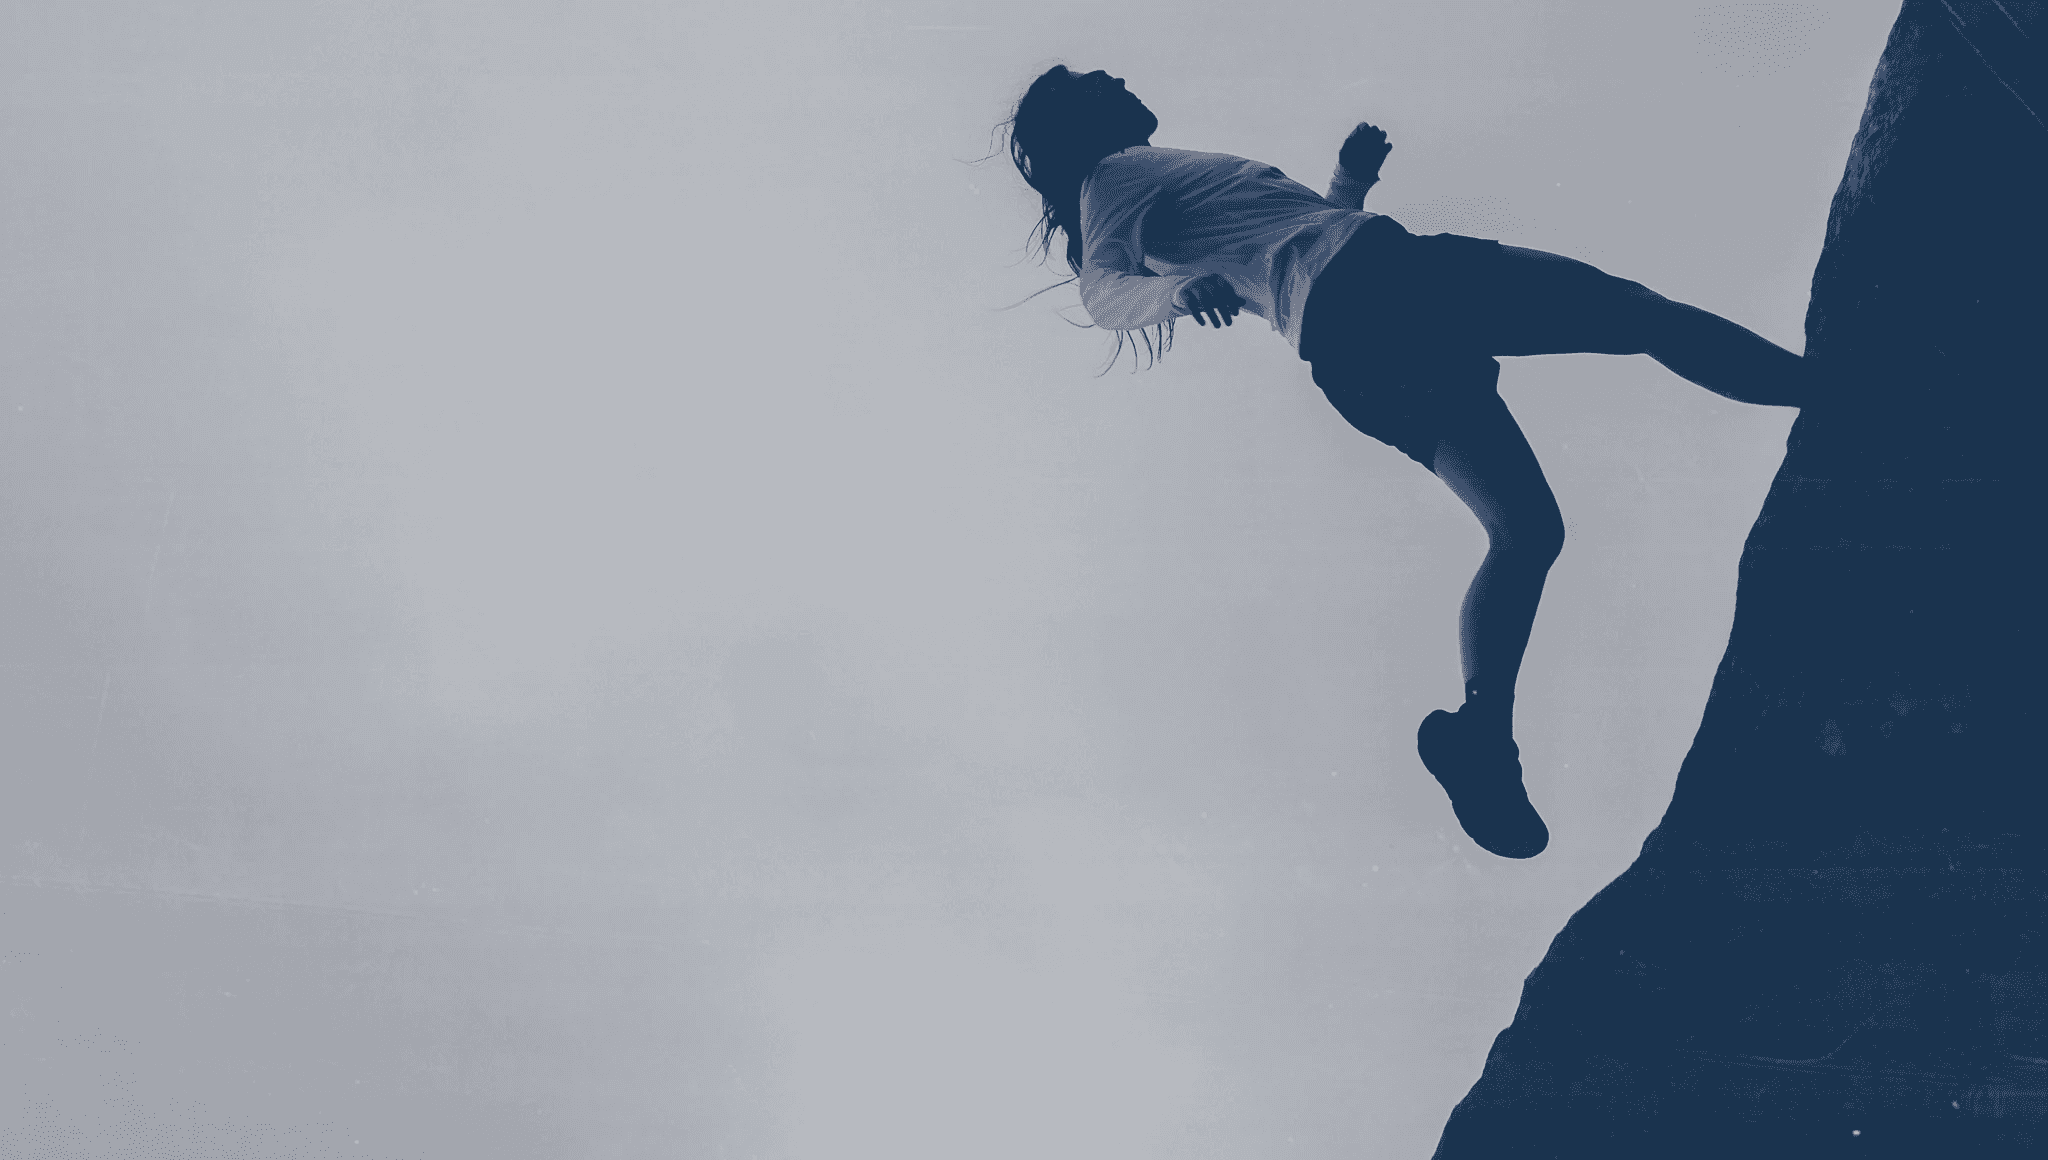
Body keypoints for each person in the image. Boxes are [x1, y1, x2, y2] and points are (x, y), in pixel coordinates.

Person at [1001, 65, 1804, 858]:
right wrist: (1170, 296)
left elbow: (1297, 243)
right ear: (1082, 117)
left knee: (1525, 532)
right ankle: (1828, 389)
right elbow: (1103, 290)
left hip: (1350, 347)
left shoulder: (1153, 177)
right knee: (1636, 315)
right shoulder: (1111, 177)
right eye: (1094, 78)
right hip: (1387, 283)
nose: (1115, 72)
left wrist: (1347, 181)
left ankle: (1482, 735)